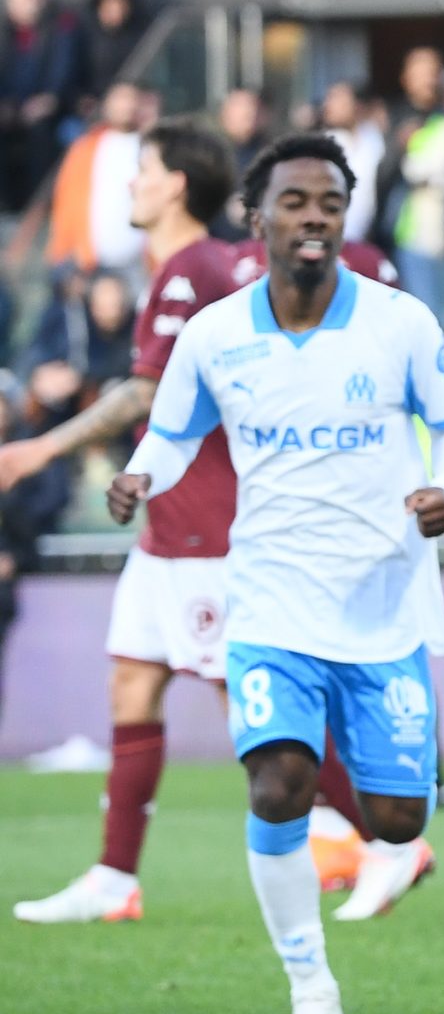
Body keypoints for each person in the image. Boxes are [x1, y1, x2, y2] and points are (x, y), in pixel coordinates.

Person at [107, 135, 444, 1014]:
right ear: (257, 216)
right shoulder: (216, 334)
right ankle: (310, 986)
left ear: (344, 217)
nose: (313, 216)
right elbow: (172, 432)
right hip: (269, 599)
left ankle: (392, 840)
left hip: (382, 603)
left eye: (330, 202)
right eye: (296, 200)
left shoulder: (399, 323)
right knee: (278, 783)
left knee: (398, 814)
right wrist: (138, 475)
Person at [6, 123, 384, 922]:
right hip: (168, 531)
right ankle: (115, 877)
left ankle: (385, 840)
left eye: (141, 170)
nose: (130, 184)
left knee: (252, 706)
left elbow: (149, 394)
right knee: (133, 682)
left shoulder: (191, 268)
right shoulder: (197, 267)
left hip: (211, 528)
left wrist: (38, 450)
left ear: (176, 183)